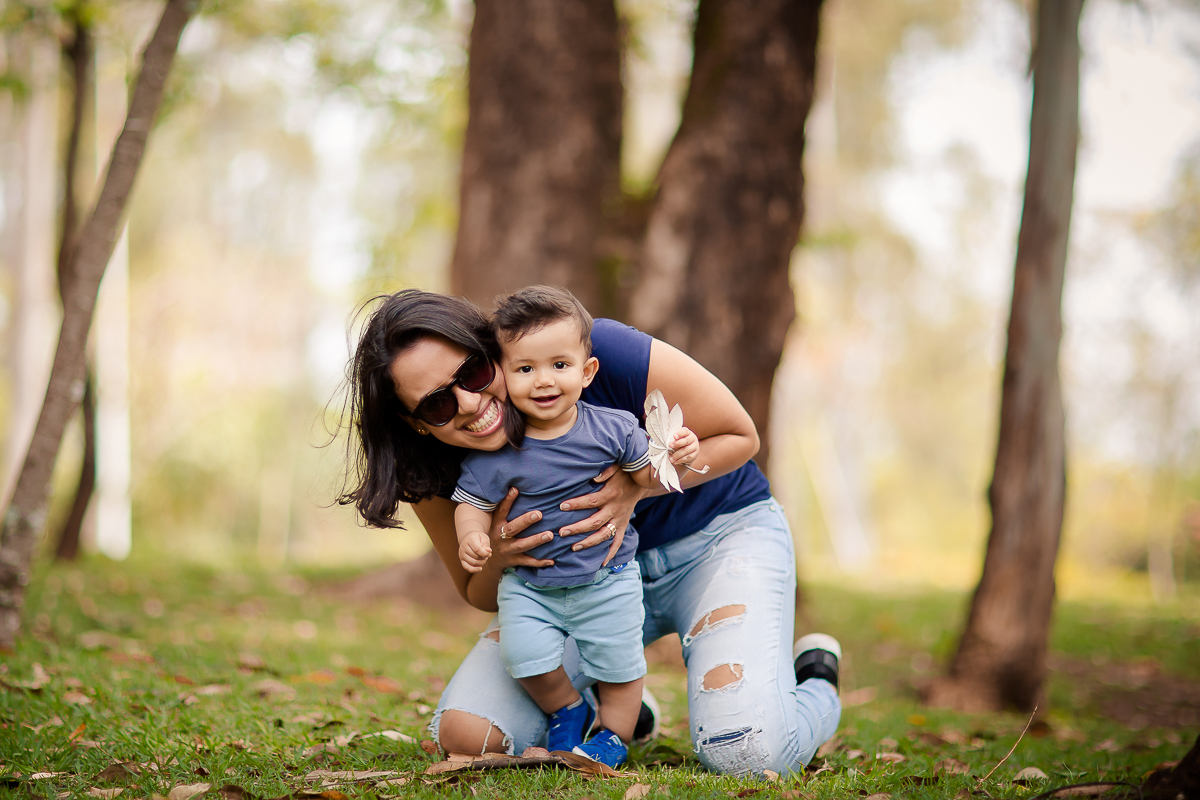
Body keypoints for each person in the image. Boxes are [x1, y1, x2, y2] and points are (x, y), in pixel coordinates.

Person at [341, 288, 842, 777]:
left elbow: (740, 435)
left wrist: (634, 490)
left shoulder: (585, 350)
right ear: (416, 424)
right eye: (436, 404)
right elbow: (477, 592)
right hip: (574, 587)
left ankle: (815, 678)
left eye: (472, 372)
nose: (469, 403)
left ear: (491, 347)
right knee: (472, 735)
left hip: (716, 540)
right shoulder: (432, 467)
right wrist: (499, 552)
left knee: (748, 753)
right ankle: (626, 710)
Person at [451, 286, 700, 767]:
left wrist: (677, 458)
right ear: (502, 376)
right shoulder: (498, 450)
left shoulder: (612, 428)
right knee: (524, 656)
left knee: (620, 666)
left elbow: (647, 476)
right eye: (525, 369)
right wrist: (472, 535)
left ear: (587, 372)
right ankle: (568, 707)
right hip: (531, 586)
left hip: (607, 578)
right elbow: (471, 502)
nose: (543, 381)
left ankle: (613, 734)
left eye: (559, 366)